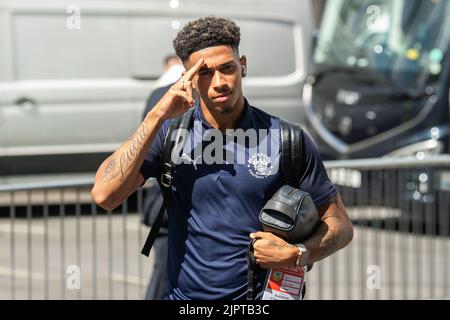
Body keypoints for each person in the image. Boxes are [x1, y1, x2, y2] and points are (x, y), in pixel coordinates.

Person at [92, 16, 354, 300]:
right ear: (187, 76)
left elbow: (340, 226)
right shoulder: (170, 133)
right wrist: (157, 115)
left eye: (227, 68)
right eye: (204, 73)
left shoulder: (288, 138)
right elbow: (105, 195)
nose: (219, 83)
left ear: (243, 65)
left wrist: (297, 254)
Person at [141, 55, 185, 300]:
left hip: (165, 207)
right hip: (169, 211)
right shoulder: (164, 98)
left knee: (165, 277)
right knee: (164, 278)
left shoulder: (157, 95)